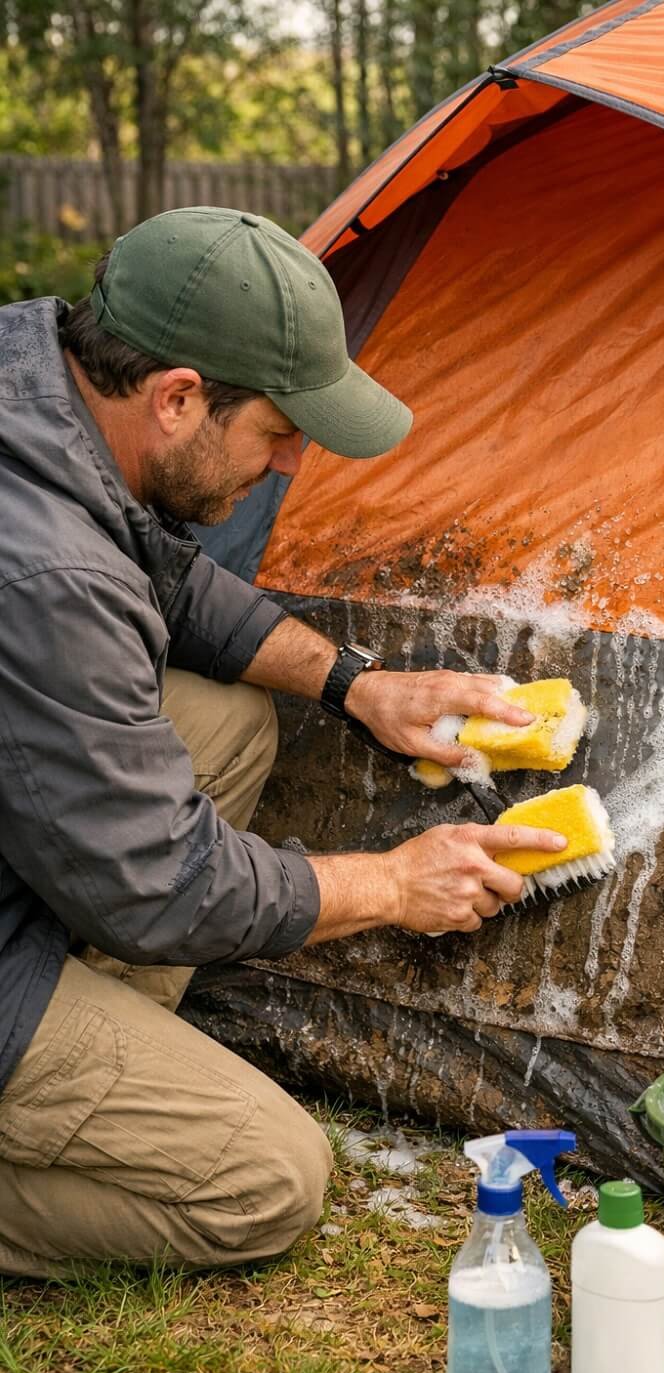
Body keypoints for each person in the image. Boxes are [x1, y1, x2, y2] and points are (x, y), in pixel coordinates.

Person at [0, 207, 566, 1279]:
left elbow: (167, 580)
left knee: (225, 719)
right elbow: (162, 887)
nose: (293, 462)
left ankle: (99, 1066)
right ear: (176, 398)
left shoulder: (41, 401)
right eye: (277, 431)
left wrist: (361, 686)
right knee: (267, 1179)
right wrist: (395, 885)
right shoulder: (48, 576)